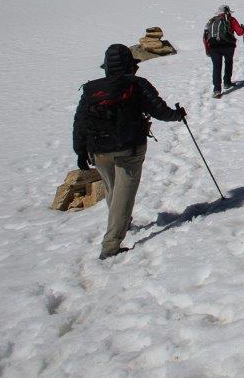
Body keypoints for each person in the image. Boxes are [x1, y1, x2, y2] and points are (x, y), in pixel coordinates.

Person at [73, 44, 186, 259]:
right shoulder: (136, 84)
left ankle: (122, 223)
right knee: (123, 195)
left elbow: (80, 121)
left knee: (113, 190)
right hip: (130, 149)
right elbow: (158, 110)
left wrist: (80, 151)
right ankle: (110, 246)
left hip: (98, 150)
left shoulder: (90, 89)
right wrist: (177, 115)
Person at [203, 5, 244, 97]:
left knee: (217, 67)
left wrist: (207, 50)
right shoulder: (231, 19)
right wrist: (242, 28)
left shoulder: (211, 21)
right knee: (228, 62)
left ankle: (217, 90)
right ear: (228, 11)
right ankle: (227, 82)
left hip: (213, 47)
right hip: (228, 46)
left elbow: (205, 36)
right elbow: (240, 32)